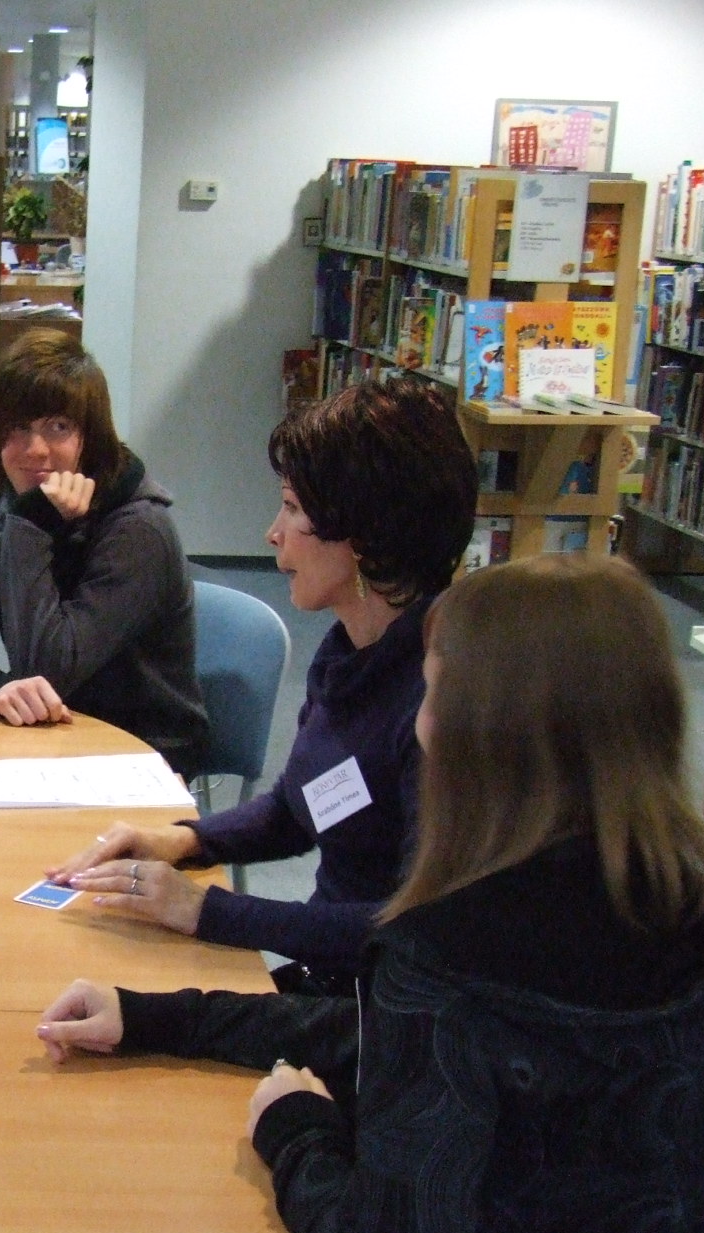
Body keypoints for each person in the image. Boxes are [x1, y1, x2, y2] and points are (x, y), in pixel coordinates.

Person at [36, 555, 704, 1233]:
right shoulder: (696, 918)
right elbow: (409, 1044)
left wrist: (294, 1133)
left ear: (486, 740)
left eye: (434, 698)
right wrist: (161, 1017)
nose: (417, 725)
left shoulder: (445, 958)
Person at [47, 375, 475, 989]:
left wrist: (209, 911)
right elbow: (301, 808)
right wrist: (181, 840)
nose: (273, 533)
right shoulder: (349, 652)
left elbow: (413, 932)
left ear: (365, 532)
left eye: (293, 508)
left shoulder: (438, 702)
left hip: (377, 1009)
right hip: (329, 979)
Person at [0, 329, 206, 773]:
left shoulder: (138, 530)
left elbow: (47, 668)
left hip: (140, 755)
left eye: (58, 428)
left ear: (90, 438)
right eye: (18, 428)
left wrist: (30, 527)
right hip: (45, 741)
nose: (35, 451)